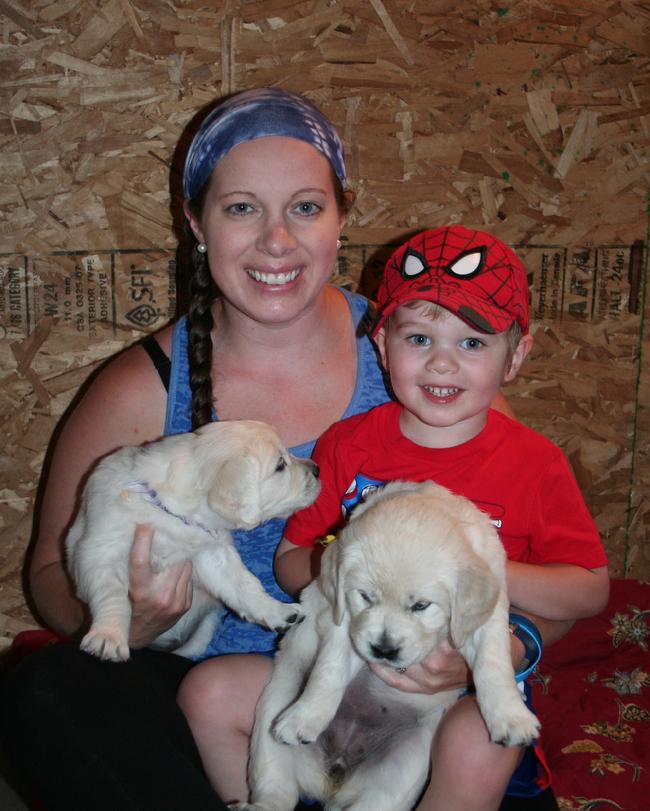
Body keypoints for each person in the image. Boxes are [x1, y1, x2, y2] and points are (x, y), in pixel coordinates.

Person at [0, 86, 553, 811]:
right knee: (41, 692)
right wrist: (125, 617)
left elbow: (525, 559)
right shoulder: (143, 388)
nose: (276, 240)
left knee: (476, 747)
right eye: (240, 208)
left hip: (400, 685)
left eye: (304, 206)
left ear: (341, 219)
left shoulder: (425, 363)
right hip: (213, 698)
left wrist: (495, 650)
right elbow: (47, 570)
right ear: (195, 222)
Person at [177, 226, 609, 811]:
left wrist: (478, 570)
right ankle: (266, 797)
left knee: (482, 744)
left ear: (517, 356)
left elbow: (589, 590)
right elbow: (287, 565)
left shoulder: (535, 464)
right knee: (209, 692)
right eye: (419, 338)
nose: (443, 364)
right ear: (382, 344)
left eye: (474, 344)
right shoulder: (348, 445)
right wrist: (343, 562)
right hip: (333, 663)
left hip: (444, 695)